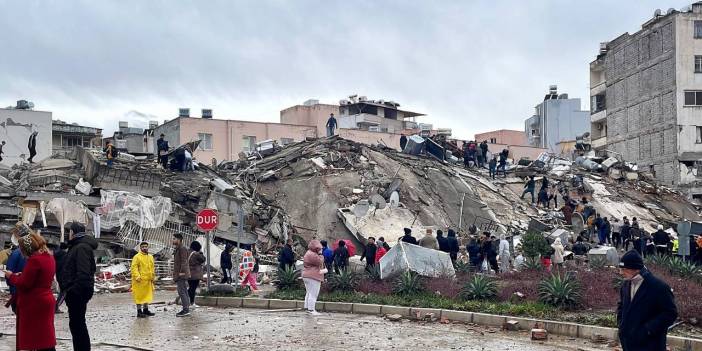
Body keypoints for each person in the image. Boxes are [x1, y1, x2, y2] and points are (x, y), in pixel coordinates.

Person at [4, 231, 56, 351]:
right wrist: (22, 275)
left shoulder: (35, 260)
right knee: (45, 338)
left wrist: (11, 276)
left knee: (37, 340)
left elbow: (24, 284)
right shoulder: (48, 257)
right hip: (46, 299)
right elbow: (40, 277)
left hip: (35, 303)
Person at [617, 250, 677, 351]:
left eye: (625, 269)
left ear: (636, 269)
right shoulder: (626, 284)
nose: (621, 273)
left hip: (650, 344)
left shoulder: (658, 287)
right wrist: (621, 324)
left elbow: (670, 313)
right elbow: (621, 306)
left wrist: (648, 330)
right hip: (628, 344)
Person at [61, 222, 98, 350]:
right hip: (76, 292)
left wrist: (73, 291)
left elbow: (84, 273)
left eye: (69, 232)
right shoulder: (77, 246)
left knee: (78, 325)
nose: (67, 235)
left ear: (73, 232)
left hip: (78, 293)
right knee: (76, 324)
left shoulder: (81, 247)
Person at [131, 242, 156, 318]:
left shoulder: (151, 257)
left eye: (146, 247)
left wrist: (152, 277)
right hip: (139, 281)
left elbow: (152, 268)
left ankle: (146, 310)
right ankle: (139, 312)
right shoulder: (137, 257)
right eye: (143, 247)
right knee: (139, 297)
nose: (145, 248)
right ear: (140, 248)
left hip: (148, 280)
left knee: (147, 296)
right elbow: (134, 268)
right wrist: (137, 276)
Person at [302, 240, 325, 315]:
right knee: (313, 293)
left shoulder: (308, 253)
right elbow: (320, 261)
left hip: (306, 275)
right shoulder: (313, 255)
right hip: (313, 276)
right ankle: (311, 310)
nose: (320, 249)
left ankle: (307, 308)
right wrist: (321, 254)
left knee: (309, 292)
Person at [172, 233, 191, 317]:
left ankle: (185, 309)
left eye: (174, 239)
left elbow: (184, 262)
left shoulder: (182, 249)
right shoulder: (178, 249)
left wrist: (181, 273)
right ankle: (187, 308)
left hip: (181, 274)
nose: (173, 240)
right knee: (184, 291)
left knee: (182, 291)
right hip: (180, 274)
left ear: (179, 240)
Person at [6, 241, 26, 314]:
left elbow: (9, 269)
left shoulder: (15, 253)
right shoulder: (29, 254)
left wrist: (9, 281)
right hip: (23, 282)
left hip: (15, 281)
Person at [187, 241, 206, 307]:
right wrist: (201, 252)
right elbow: (203, 259)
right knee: (193, 288)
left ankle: (189, 301)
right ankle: (192, 302)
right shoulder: (196, 254)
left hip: (188, 272)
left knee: (191, 287)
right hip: (195, 274)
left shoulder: (187, 252)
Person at [54, 242, 68, 314]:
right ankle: (55, 307)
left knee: (63, 291)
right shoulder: (65, 255)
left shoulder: (56, 254)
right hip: (64, 276)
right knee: (64, 292)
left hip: (58, 275)